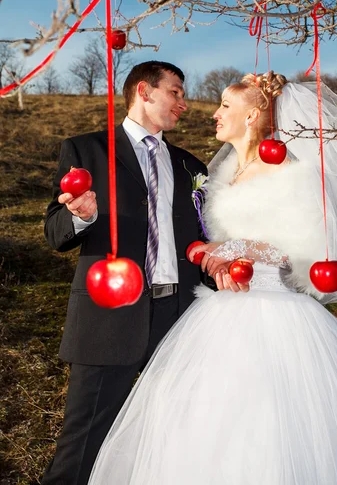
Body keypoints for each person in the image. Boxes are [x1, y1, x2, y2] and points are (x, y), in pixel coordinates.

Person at [89, 71, 337, 485]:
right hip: (219, 309)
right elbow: (212, 237)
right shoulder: (222, 173)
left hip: (273, 311)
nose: (214, 113)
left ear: (253, 115)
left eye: (224, 106)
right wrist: (210, 253)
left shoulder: (289, 168)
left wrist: (235, 250)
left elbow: (301, 248)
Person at [42, 61, 207, 485]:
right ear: (144, 91)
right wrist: (80, 216)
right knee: (84, 439)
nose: (183, 104)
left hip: (180, 314)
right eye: (176, 92)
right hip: (110, 311)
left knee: (173, 431)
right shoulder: (86, 150)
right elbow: (55, 234)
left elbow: (201, 234)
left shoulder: (190, 164)